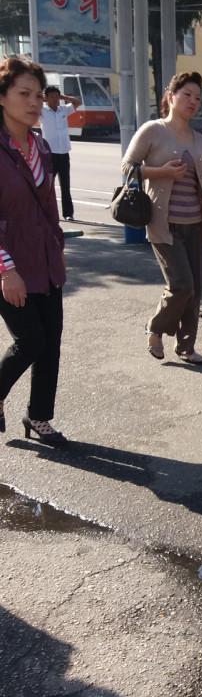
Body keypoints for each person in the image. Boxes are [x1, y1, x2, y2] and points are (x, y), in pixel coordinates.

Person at [122, 71, 202, 363]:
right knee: (182, 285)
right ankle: (154, 329)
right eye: (187, 95)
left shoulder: (199, 140)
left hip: (195, 225)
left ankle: (186, 347)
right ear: (171, 96)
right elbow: (127, 166)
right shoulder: (153, 131)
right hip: (163, 225)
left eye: (198, 98)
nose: (193, 101)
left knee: (195, 290)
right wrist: (162, 172)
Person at [0, 56, 67, 444]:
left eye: (38, 95)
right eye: (24, 93)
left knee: (51, 342)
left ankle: (38, 417)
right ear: (3, 97)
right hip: (9, 264)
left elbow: (49, 205)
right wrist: (7, 270)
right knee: (32, 340)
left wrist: (57, 248)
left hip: (44, 258)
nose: (35, 102)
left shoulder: (40, 146)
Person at [40, 85, 81, 221]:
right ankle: (45, 213)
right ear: (46, 98)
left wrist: (64, 97)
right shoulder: (42, 111)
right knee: (48, 186)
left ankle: (68, 213)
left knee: (65, 185)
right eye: (52, 96)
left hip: (63, 152)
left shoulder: (64, 109)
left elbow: (77, 102)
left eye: (57, 96)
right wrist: (42, 98)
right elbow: (31, 103)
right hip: (49, 153)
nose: (55, 99)